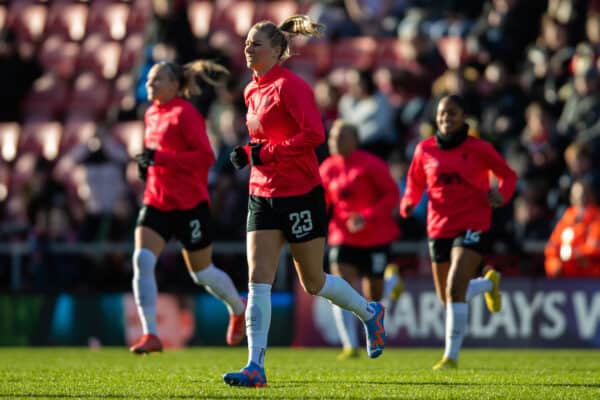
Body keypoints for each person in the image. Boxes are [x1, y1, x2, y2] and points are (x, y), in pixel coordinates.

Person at [223, 15, 386, 387]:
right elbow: (266, 142)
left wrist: (265, 154)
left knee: (313, 281)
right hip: (262, 193)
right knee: (257, 280)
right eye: (247, 43)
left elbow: (314, 134)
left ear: (278, 51)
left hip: (299, 193)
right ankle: (255, 367)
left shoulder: (291, 87)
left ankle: (369, 312)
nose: (248, 48)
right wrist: (249, 155)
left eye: (255, 44)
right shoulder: (251, 90)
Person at [130, 59, 247, 354]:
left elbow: (205, 157)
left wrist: (162, 159)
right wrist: (147, 167)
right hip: (157, 199)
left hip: (189, 204)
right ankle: (150, 334)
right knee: (142, 261)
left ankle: (237, 307)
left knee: (202, 273)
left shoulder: (186, 114)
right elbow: (156, 154)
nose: (150, 84)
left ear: (175, 85)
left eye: (157, 80)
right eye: (149, 79)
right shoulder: (151, 114)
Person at [399, 95, 517, 370]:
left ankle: (450, 356)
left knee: (455, 287)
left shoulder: (479, 149)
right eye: (442, 114)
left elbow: (508, 175)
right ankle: (488, 284)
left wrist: (502, 193)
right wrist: (407, 202)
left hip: (473, 222)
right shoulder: (424, 150)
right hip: (438, 226)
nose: (446, 118)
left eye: (452, 113)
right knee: (447, 297)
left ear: (464, 116)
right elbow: (415, 183)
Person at [319, 119, 402, 360]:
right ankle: (349, 345)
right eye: (333, 136)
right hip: (342, 235)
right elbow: (321, 202)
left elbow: (392, 194)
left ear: (355, 140)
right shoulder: (327, 168)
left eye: (341, 136)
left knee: (373, 296)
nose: (335, 141)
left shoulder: (371, 164)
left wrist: (367, 217)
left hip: (375, 236)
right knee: (341, 287)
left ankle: (391, 282)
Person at [544, 176, 600, 278]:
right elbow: (552, 247)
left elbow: (594, 248)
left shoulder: (596, 218)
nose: (580, 200)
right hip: (566, 278)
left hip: (590, 278)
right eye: (576, 196)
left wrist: (574, 254)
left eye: (583, 196)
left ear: (591, 196)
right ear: (572, 198)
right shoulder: (567, 218)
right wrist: (554, 265)